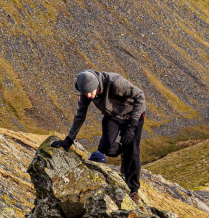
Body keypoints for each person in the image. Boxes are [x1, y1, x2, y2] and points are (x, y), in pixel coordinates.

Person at [52, 69, 146, 202]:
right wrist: (69, 140)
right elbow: (80, 116)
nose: (89, 96)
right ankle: (124, 151)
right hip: (112, 116)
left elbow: (140, 96)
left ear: (97, 85)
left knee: (133, 151)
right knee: (106, 147)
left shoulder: (115, 82)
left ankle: (133, 190)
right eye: (85, 93)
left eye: (91, 92)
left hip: (132, 115)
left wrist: (131, 126)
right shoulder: (85, 92)